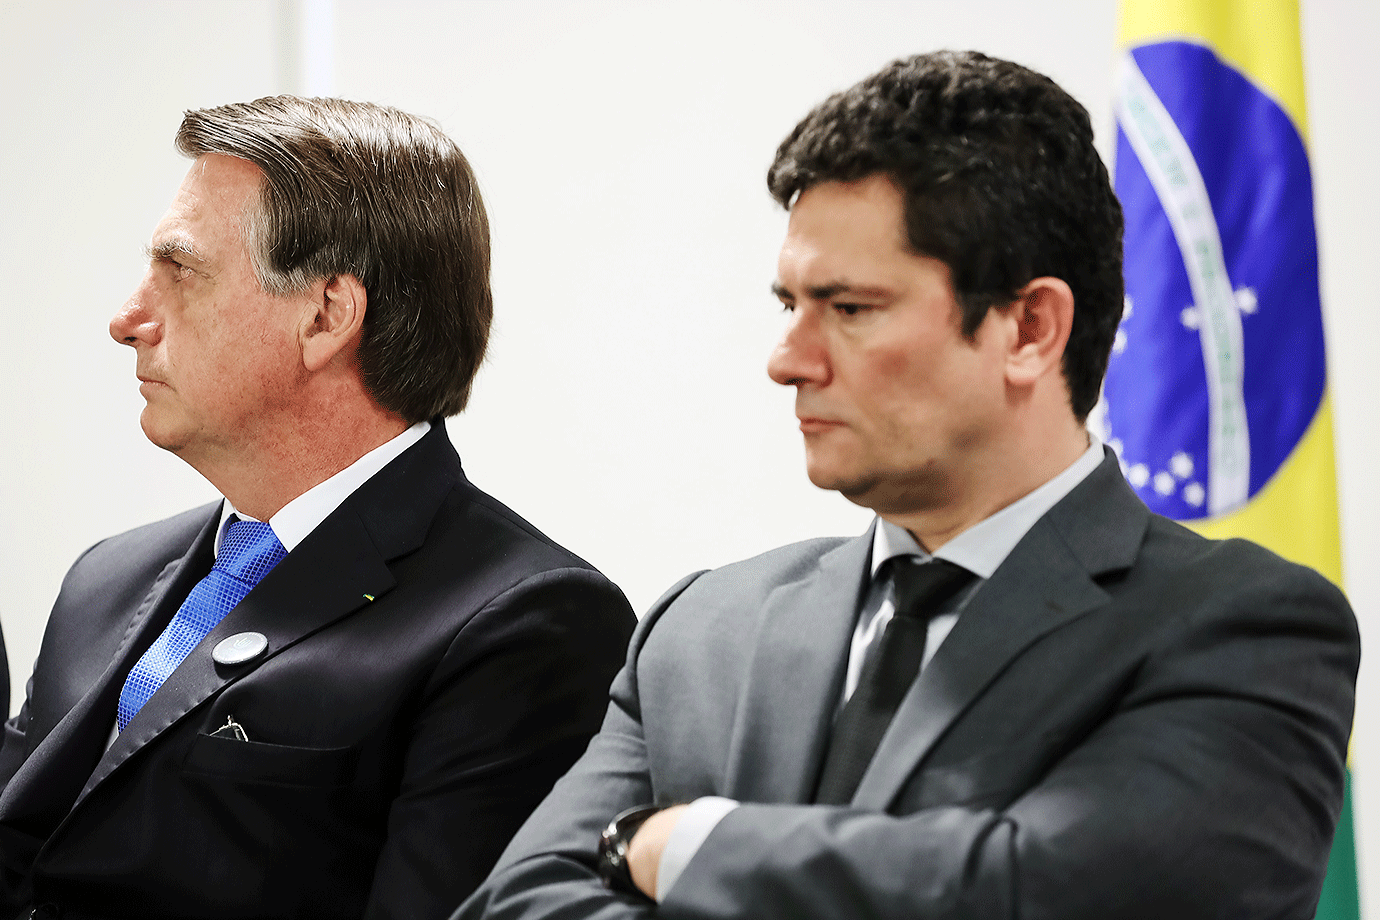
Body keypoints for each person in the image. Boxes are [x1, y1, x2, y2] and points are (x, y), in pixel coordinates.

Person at [456, 52, 1359, 920]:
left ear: (1030, 329)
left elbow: (1050, 894)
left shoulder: (1245, 630)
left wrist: (684, 844)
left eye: (849, 308)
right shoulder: (699, 631)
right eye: (790, 305)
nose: (787, 360)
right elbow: (518, 904)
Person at [0, 96, 636, 920]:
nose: (128, 320)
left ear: (326, 315)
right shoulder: (104, 578)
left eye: (181, 270)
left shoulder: (526, 627)